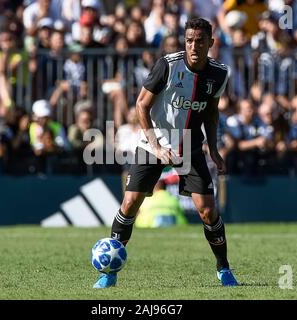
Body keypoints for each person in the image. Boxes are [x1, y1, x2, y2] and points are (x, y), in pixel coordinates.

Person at [93, 18, 238, 288]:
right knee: (129, 204)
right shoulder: (167, 66)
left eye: (200, 41)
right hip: (153, 144)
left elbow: (211, 112)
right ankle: (109, 273)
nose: (194, 46)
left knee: (207, 212)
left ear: (211, 43)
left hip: (190, 145)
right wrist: (157, 146)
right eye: (189, 40)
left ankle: (224, 269)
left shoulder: (219, 74)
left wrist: (214, 150)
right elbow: (141, 105)